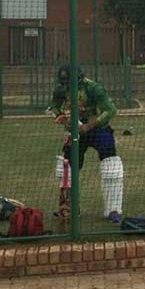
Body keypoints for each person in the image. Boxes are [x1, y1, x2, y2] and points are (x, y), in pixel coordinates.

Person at [50, 65, 123, 223]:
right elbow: (54, 107)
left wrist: (89, 125)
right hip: (76, 129)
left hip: (98, 128)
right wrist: (64, 119)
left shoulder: (93, 88)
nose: (67, 88)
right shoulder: (61, 89)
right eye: (65, 84)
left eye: (70, 84)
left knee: (111, 163)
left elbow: (111, 110)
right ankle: (68, 207)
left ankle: (113, 209)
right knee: (67, 165)